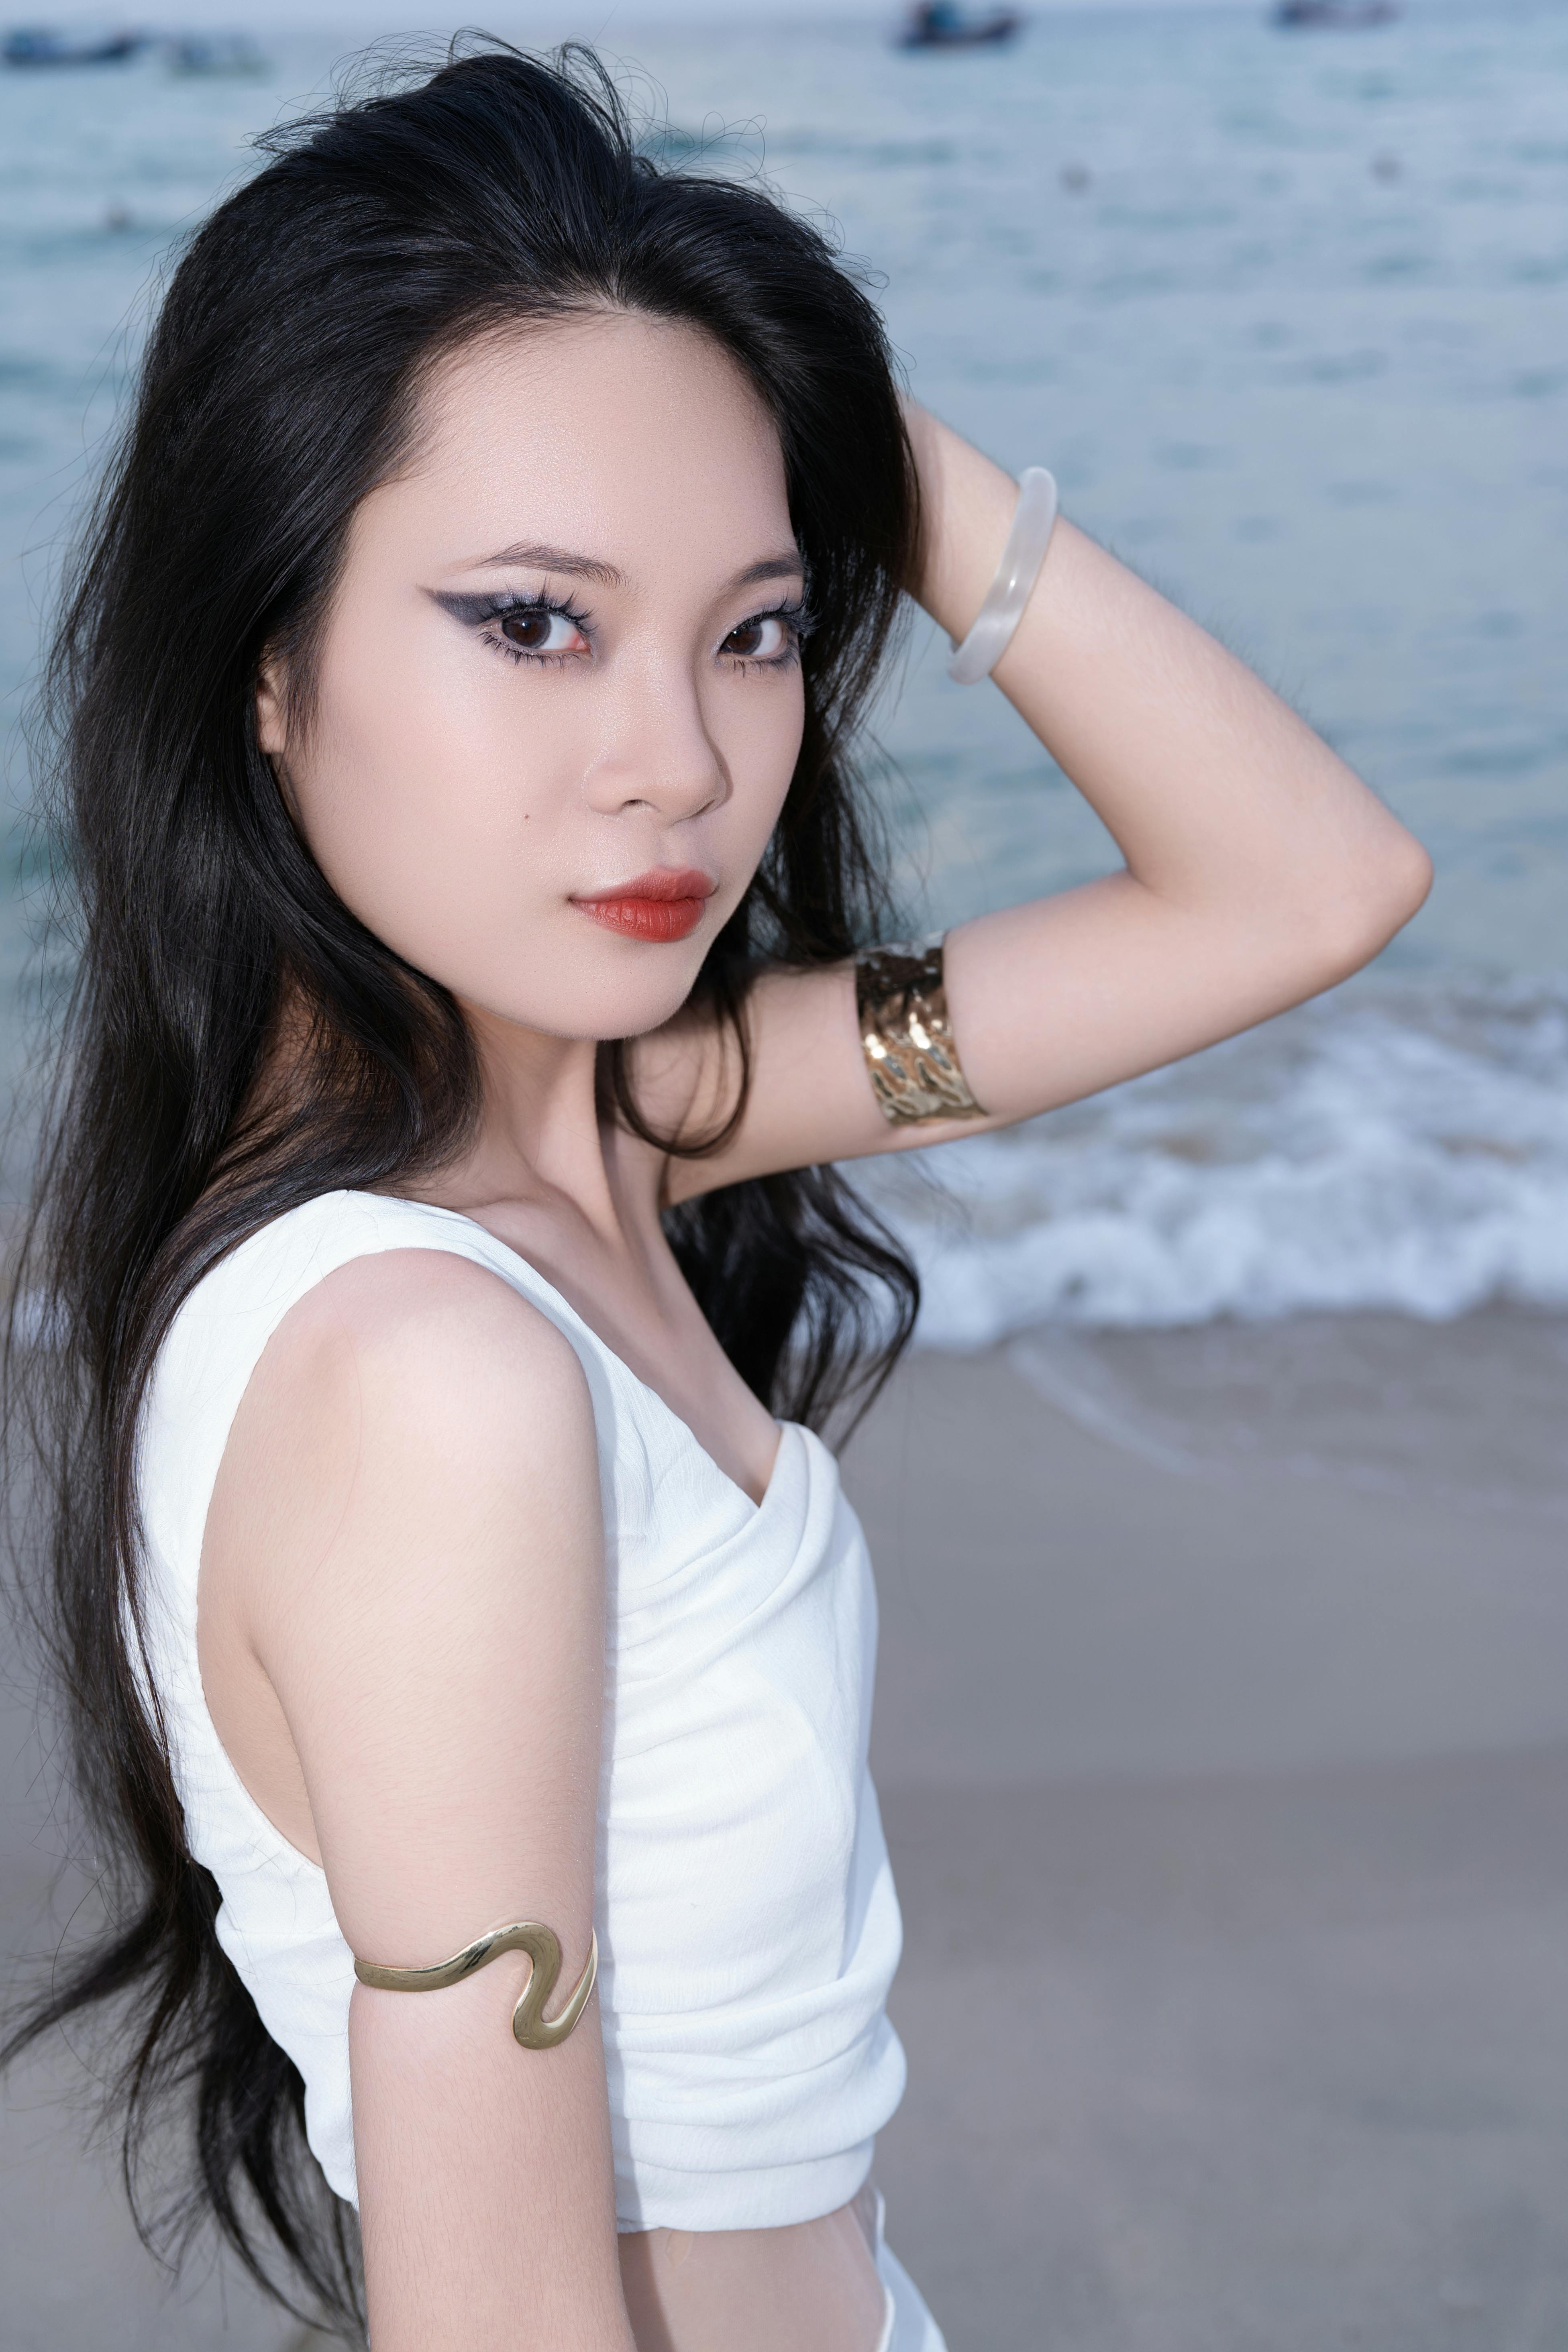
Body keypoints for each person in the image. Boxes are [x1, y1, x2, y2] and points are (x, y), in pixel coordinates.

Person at [0, 42, 1429, 2352]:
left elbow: (1303, 881)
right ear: (265, 662)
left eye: (753, 627)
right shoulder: (423, 1367)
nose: (676, 755)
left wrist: (838, 419)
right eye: (533, 620)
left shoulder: (635, 1120)